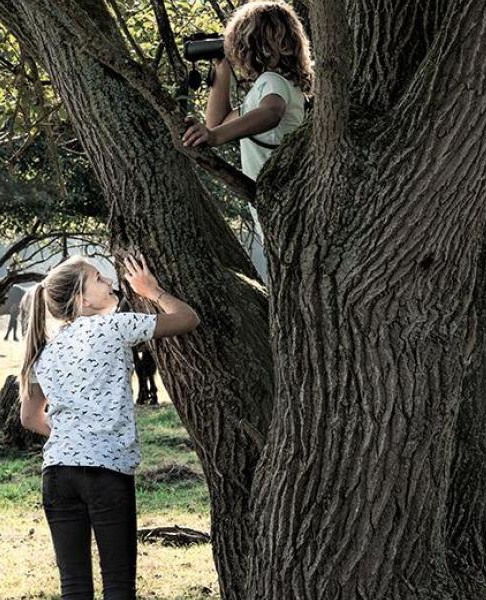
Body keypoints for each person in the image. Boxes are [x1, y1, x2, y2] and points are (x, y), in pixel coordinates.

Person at [19, 253, 201, 599]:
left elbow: (29, 418)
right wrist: (152, 290)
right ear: (82, 299)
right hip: (106, 473)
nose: (109, 282)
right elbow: (187, 319)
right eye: (99, 279)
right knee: (118, 586)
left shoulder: (45, 351)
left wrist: (74, 438)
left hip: (57, 475)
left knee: (74, 588)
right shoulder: (115, 327)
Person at [181, 1, 312, 280]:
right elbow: (216, 121)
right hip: (281, 207)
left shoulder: (272, 82)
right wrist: (222, 67)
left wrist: (214, 137)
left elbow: (270, 113)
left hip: (283, 206)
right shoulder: (278, 86)